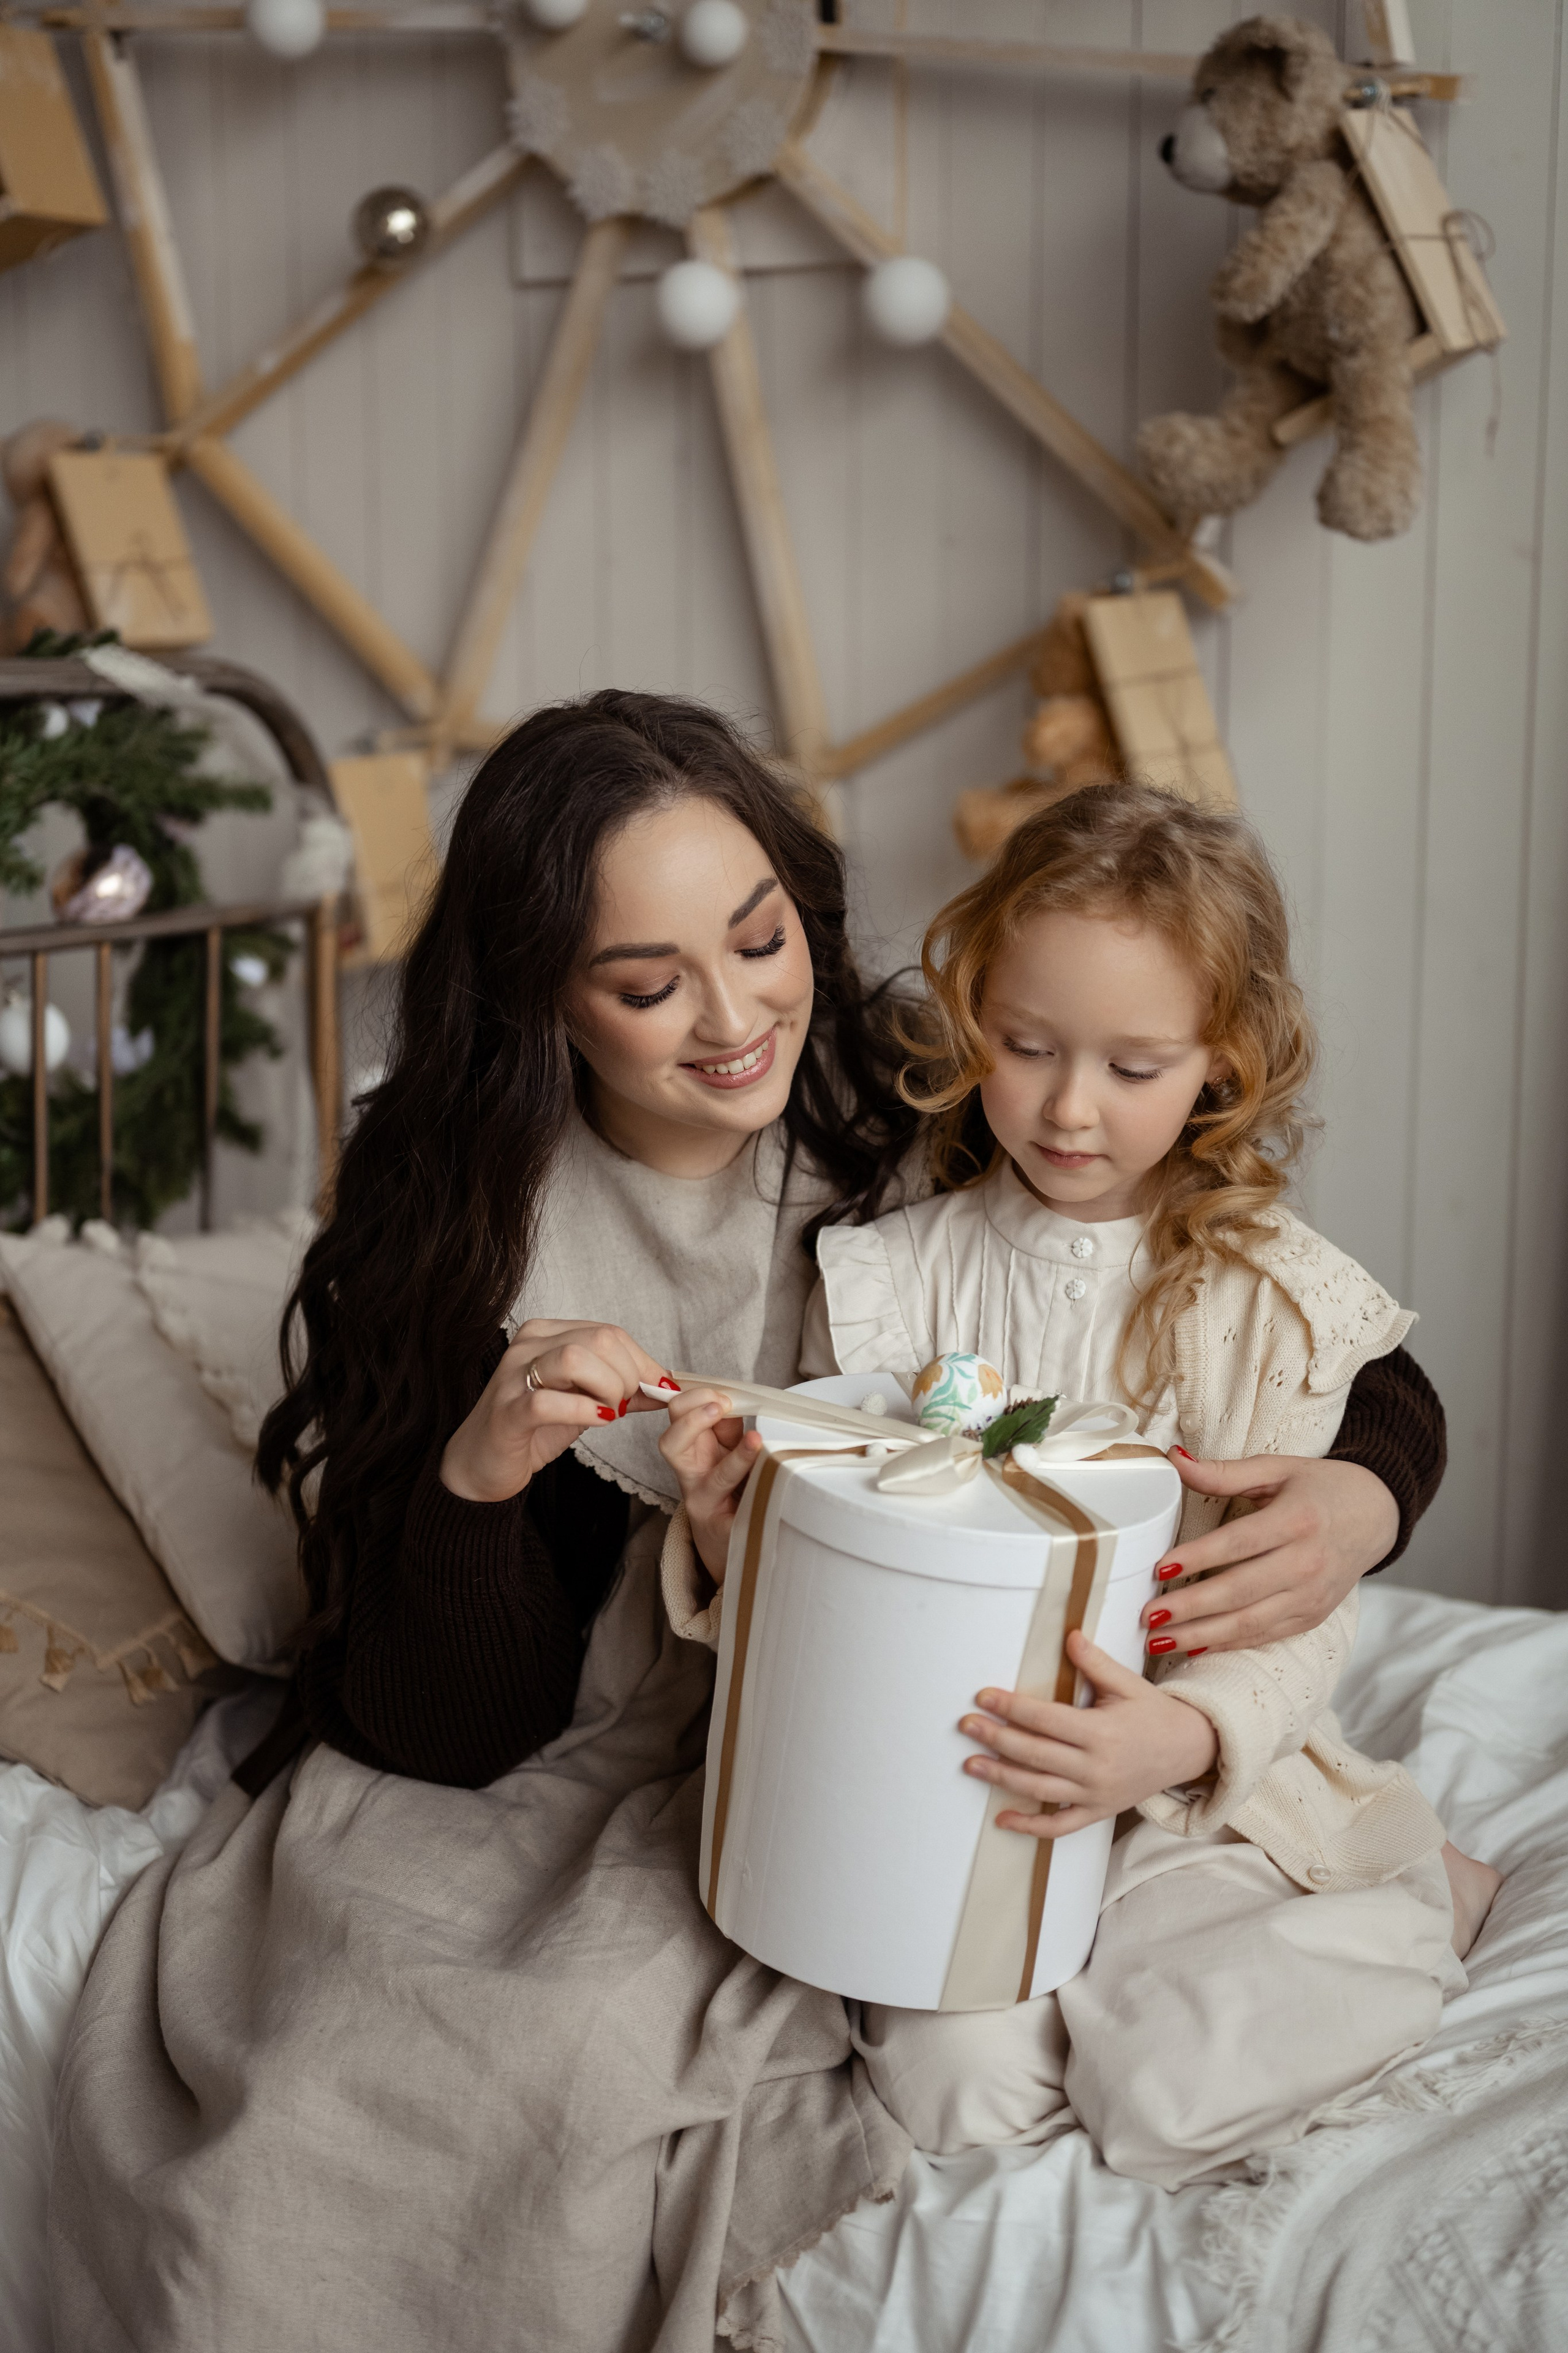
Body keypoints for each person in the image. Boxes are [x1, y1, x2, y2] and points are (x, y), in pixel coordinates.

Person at [51, 701, 1450, 2352]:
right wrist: (486, 1479)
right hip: (631, 1730)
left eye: (760, 938)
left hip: (927, 1703)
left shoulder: (941, 1086)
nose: (734, 1020)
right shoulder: (477, 1232)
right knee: (419, 2070)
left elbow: (1279, 1319)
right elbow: (445, 1729)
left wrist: (1365, 1493)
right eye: (648, 985)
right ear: (541, 998)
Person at [658, 779, 1499, 2191]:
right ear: (972, 1008)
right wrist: (729, 1531)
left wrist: (1182, 1737)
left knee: (1168, 2090)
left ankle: (1406, 1899)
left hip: (1188, 1783)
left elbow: (1293, 1601)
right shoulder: (883, 1284)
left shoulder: (1270, 1303)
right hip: (961, 1778)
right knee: (958, 2094)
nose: (1063, 1106)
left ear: (1219, 1064)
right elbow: (834, 1588)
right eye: (1027, 1044)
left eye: (1131, 1066)